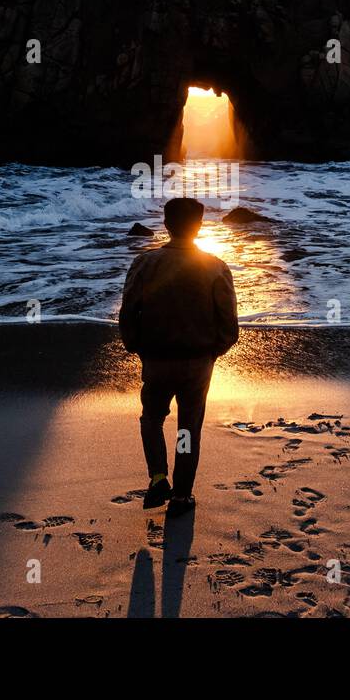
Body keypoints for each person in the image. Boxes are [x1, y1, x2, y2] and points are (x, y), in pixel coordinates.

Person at [118, 197, 239, 518]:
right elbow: (229, 325)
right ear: (199, 226)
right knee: (188, 428)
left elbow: (129, 311)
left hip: (156, 358)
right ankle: (182, 495)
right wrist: (214, 351)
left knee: (152, 418)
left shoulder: (145, 263)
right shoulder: (215, 266)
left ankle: (158, 477)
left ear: (166, 223)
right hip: (197, 361)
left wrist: (135, 345)